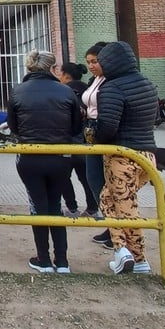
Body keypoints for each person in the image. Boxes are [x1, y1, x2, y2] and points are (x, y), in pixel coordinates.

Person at [7, 50, 83, 274]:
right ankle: (62, 261)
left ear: (29, 68)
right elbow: (76, 127)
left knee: (37, 207)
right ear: (53, 68)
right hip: (60, 157)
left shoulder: (18, 91)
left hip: (30, 157)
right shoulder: (66, 91)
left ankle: (43, 259)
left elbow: (14, 127)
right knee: (55, 206)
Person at [94, 41, 159, 275]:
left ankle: (138, 259)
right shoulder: (147, 84)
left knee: (125, 205)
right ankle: (122, 252)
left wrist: (94, 138)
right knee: (108, 199)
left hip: (122, 156)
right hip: (147, 155)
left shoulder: (112, 88)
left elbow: (108, 126)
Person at [54, 61, 98, 218]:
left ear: (66, 75)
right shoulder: (89, 92)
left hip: (66, 143)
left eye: (60, 73)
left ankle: (72, 208)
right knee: (87, 179)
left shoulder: (62, 92)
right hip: (87, 144)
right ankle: (92, 209)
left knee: (64, 178)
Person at [82, 42, 113, 249]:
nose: (91, 66)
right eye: (89, 62)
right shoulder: (95, 80)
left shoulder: (112, 81)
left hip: (105, 133)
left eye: (95, 61)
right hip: (91, 132)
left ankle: (116, 228)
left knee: (110, 183)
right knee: (94, 180)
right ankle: (110, 223)